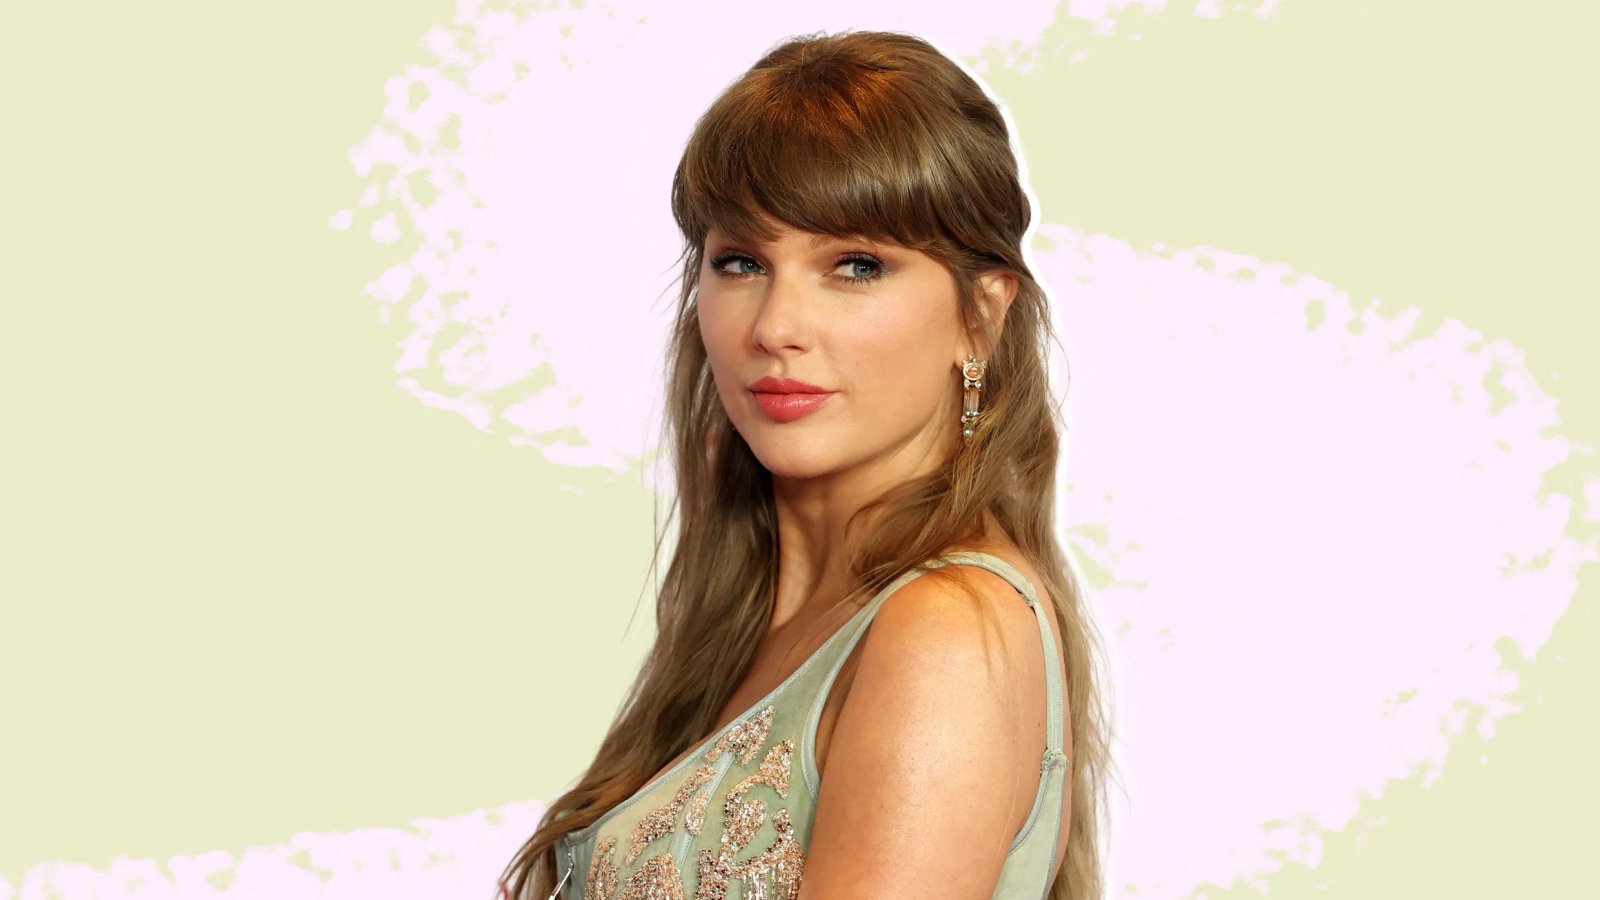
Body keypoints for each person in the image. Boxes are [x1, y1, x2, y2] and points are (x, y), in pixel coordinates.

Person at [499, 29, 1111, 900]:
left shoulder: (945, 631)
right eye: (741, 262)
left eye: (855, 265)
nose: (775, 326)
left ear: (980, 314)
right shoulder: (751, 620)